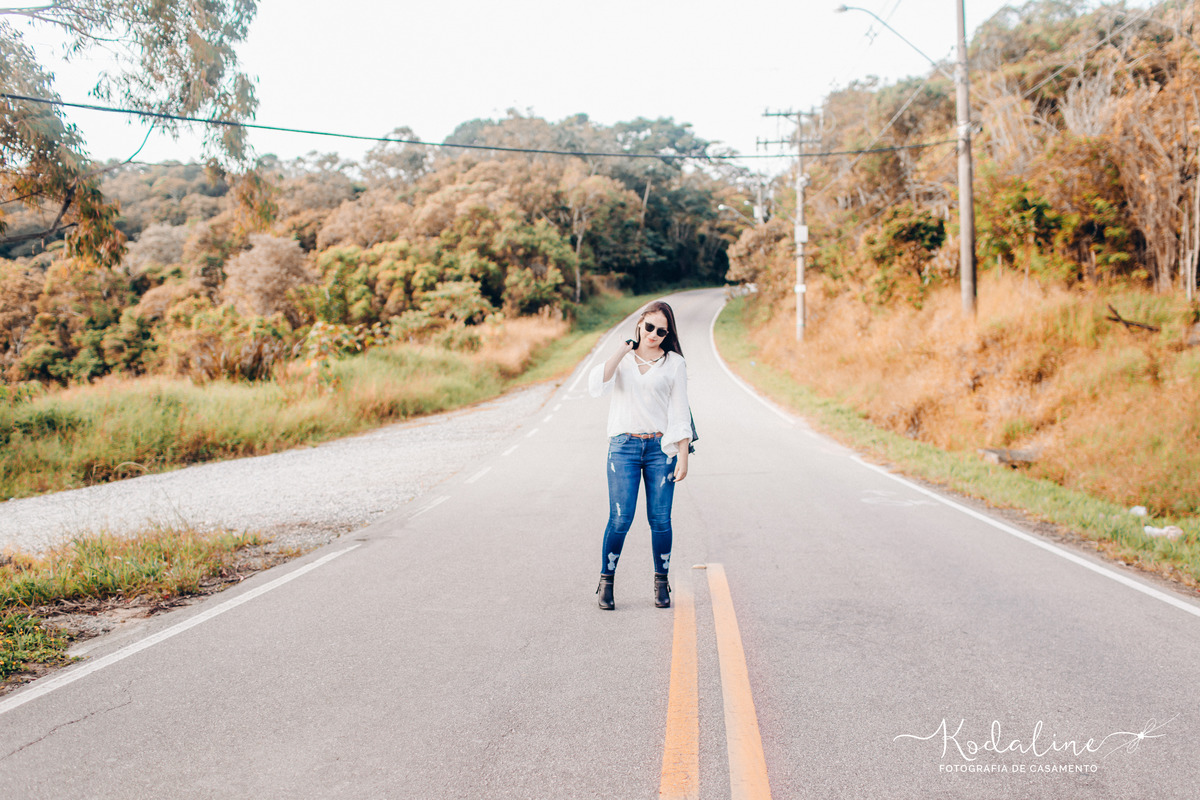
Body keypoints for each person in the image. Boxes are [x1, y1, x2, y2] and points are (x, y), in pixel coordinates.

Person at [587, 300, 690, 610]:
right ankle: (606, 582)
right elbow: (596, 386)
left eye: (661, 331)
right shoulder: (623, 360)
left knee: (660, 520)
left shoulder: (674, 363)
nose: (653, 334)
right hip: (623, 448)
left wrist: (683, 455)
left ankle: (661, 583)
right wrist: (622, 350)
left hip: (661, 450)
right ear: (640, 323)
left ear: (668, 334)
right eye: (649, 327)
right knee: (620, 518)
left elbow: (680, 412)